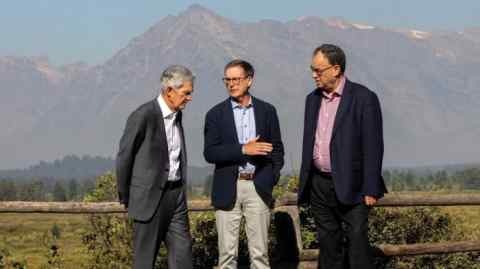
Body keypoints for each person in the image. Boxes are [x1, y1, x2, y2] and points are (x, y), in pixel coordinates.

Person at [298, 44, 387, 269]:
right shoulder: (312, 99)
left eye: (318, 70)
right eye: (312, 69)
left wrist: (370, 187)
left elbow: (373, 145)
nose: (313, 75)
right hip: (319, 184)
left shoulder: (364, 97)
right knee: (328, 244)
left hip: (354, 186)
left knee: (357, 243)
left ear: (336, 69)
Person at [204, 59, 284, 269]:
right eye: (227, 80)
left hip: (259, 187)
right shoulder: (215, 114)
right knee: (227, 256)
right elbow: (210, 152)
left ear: (249, 80)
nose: (231, 84)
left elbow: (277, 148)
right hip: (227, 188)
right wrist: (242, 149)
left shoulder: (268, 111)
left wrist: (271, 177)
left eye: (236, 79)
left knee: (260, 255)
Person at [116, 65, 195, 269]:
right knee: (144, 261)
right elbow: (125, 156)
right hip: (149, 199)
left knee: (183, 256)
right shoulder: (143, 115)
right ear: (170, 91)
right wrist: (126, 196)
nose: (189, 98)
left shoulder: (178, 114)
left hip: (176, 196)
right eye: (186, 93)